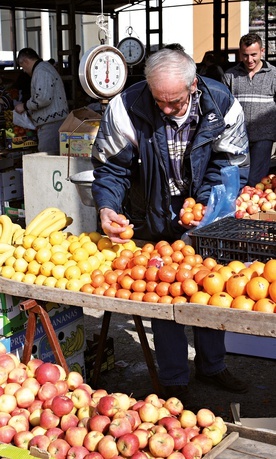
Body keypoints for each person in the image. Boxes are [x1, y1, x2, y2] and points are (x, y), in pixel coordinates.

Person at [91, 47, 250, 404]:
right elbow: (111, 168)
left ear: (193, 85)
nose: (165, 109)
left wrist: (206, 205)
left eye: (174, 102)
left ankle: (212, 365)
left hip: (205, 217)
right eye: (158, 101)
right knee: (163, 293)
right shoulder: (126, 107)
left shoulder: (222, 105)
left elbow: (231, 162)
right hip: (150, 214)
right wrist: (106, 207)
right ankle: (174, 377)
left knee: (210, 292)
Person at [224, 33, 276, 186]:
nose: (249, 60)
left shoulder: (274, 75)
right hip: (237, 137)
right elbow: (223, 107)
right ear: (240, 53)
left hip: (264, 136)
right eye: (245, 55)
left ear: (262, 51)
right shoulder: (230, 76)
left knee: (255, 179)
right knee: (237, 178)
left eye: (254, 54)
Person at [14, 48, 69, 155]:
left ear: (25, 61)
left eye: (22, 67)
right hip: (55, 122)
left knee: (47, 160)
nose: (24, 71)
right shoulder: (44, 68)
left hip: (51, 125)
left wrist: (24, 106)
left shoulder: (41, 71)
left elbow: (43, 98)